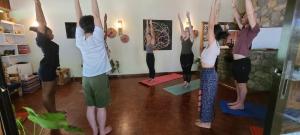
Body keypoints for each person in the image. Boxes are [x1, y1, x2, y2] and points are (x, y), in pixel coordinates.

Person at [74, 0, 112, 135]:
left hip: (86, 79)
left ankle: (95, 131)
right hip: (99, 78)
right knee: (101, 107)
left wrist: (76, 1)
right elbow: (96, 14)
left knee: (90, 107)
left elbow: (78, 18)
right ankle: (102, 131)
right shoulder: (98, 37)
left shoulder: (80, 40)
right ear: (94, 25)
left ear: (82, 27)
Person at [195, 0, 228, 129]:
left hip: (209, 75)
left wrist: (213, 5)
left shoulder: (214, 45)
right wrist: (216, 8)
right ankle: (204, 119)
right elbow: (213, 23)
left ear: (213, 34)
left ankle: (206, 123)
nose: (208, 33)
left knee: (207, 99)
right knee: (205, 97)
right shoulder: (212, 45)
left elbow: (211, 24)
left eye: (210, 32)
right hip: (207, 74)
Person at [30, 0, 61, 134]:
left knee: (51, 95)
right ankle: (53, 118)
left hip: (50, 69)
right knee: (46, 97)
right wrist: (38, 4)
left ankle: (54, 114)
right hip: (47, 70)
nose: (52, 33)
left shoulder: (48, 42)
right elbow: (41, 21)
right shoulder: (43, 40)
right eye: (50, 31)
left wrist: (57, 69)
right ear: (45, 33)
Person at [228, 0, 260, 110]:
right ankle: (238, 101)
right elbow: (238, 17)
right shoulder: (244, 29)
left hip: (243, 62)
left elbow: (250, 13)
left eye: (245, 15)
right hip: (237, 62)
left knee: (242, 84)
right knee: (237, 83)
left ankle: (241, 104)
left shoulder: (254, 29)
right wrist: (233, 7)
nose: (244, 16)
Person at [178, 12, 194, 88]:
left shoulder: (191, 38)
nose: (184, 31)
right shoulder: (183, 38)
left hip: (189, 56)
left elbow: (191, 29)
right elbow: (181, 27)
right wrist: (179, 19)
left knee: (188, 69)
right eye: (185, 30)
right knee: (184, 69)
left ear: (189, 32)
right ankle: (185, 82)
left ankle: (188, 82)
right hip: (182, 55)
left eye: (186, 31)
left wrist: (188, 18)